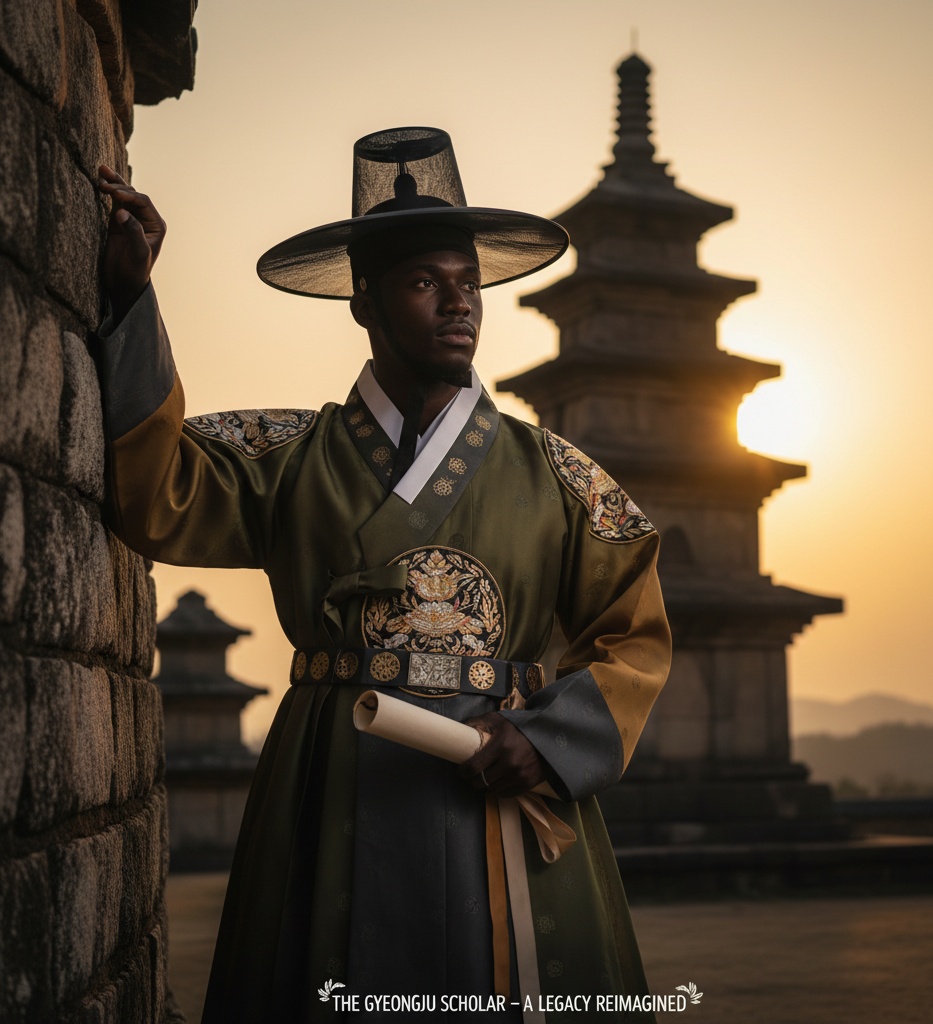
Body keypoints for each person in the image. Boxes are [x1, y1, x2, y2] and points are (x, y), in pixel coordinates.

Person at [97, 127, 671, 1023]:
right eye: (423, 283)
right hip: (334, 777)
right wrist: (131, 301)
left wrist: (555, 740)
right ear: (364, 302)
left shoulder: (558, 473)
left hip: (503, 774)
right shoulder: (285, 457)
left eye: (468, 282)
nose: (459, 304)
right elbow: (155, 491)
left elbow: (633, 633)